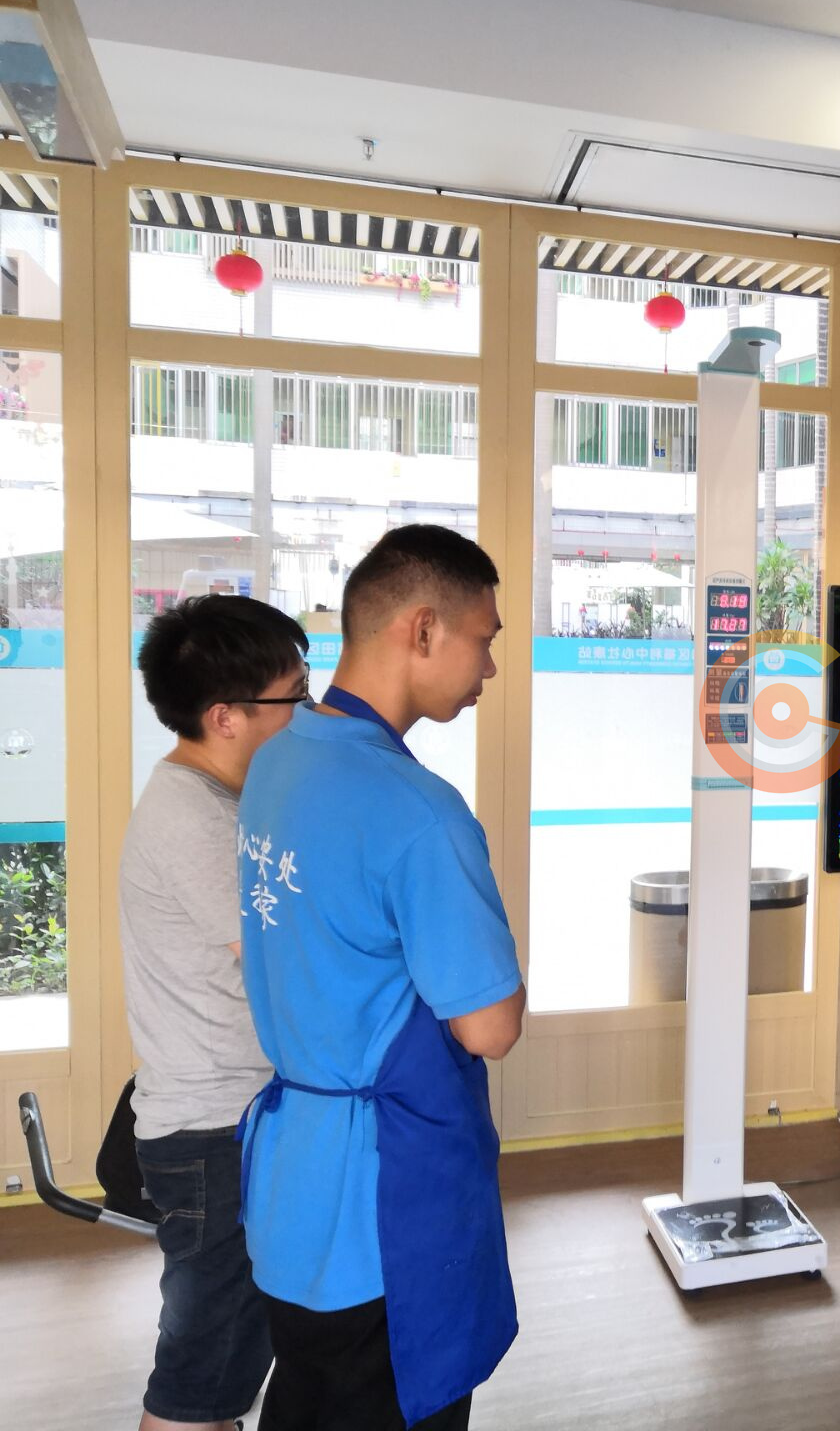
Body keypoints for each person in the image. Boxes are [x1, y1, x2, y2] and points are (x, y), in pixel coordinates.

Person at [235, 526, 524, 1431]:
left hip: (292, 1186)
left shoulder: (278, 760)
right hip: (381, 1206)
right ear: (423, 629)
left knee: (307, 1399)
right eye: (484, 638)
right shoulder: (417, 812)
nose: (489, 665)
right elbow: (490, 1027)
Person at [121, 594, 309, 1431]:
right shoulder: (193, 819)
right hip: (213, 1136)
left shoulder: (226, 802)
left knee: (221, 1370)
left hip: (226, 1123)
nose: (307, 713)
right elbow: (285, 962)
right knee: (200, 1384)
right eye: (293, 697)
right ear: (226, 716)